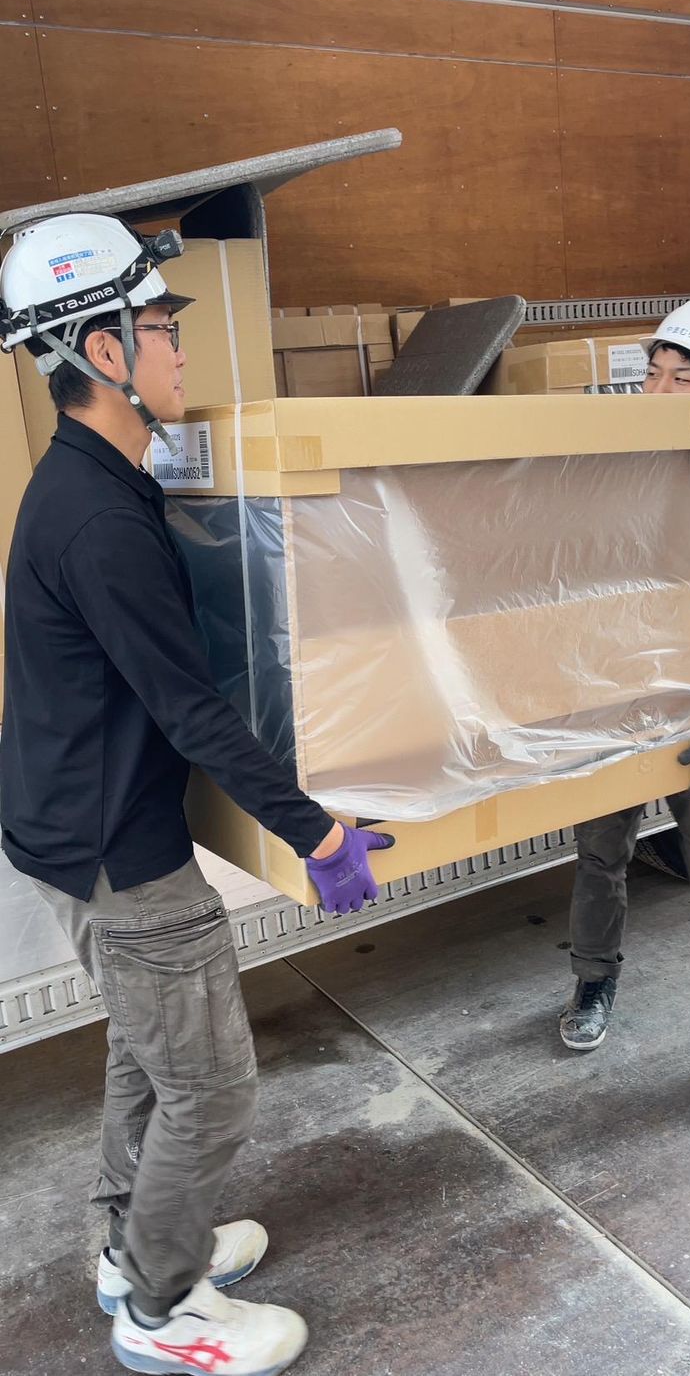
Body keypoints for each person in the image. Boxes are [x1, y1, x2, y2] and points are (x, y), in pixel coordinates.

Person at [0, 211, 393, 1376]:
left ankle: (130, 1246)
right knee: (211, 1086)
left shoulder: (95, 484)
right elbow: (192, 707)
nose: (180, 346)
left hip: (74, 827)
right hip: (116, 849)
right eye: (161, 326)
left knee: (150, 1054)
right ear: (104, 349)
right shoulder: (96, 517)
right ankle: (162, 1308)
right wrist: (314, 830)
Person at [559, 297, 690, 1122]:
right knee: (599, 854)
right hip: (619, 704)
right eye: (652, 374)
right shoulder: (613, 479)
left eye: (681, 378)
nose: (659, 390)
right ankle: (593, 980)